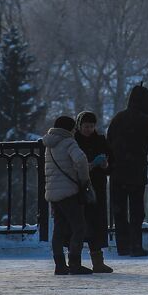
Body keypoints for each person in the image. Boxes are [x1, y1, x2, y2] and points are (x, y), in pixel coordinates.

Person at [105, 84, 148, 257]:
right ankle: (136, 246)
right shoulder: (145, 120)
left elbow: (109, 139)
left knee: (119, 210)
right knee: (136, 210)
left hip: (117, 171)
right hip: (136, 170)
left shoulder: (118, 118)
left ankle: (122, 246)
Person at [42, 114, 92, 276]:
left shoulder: (49, 144)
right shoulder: (69, 141)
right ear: (70, 129)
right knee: (79, 227)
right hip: (69, 191)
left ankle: (60, 265)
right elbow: (81, 160)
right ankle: (75, 264)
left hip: (53, 193)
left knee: (58, 229)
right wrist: (84, 179)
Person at [73, 110, 114, 273]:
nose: (89, 129)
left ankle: (97, 261)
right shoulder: (74, 142)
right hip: (79, 187)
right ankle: (75, 260)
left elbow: (111, 163)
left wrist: (105, 165)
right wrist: (91, 165)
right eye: (86, 126)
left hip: (96, 187)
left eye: (91, 126)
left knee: (95, 223)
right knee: (79, 223)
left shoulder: (100, 141)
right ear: (79, 126)